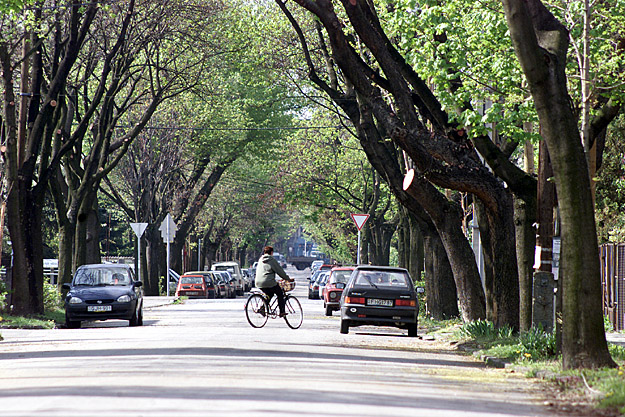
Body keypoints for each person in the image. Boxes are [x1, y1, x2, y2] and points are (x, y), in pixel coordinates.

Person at [255, 245, 294, 317]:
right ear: (271, 252)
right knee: (280, 293)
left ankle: (263, 308)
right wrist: (287, 278)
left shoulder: (260, 259)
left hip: (258, 282)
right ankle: (282, 311)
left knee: (270, 294)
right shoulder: (271, 260)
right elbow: (280, 271)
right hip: (268, 282)